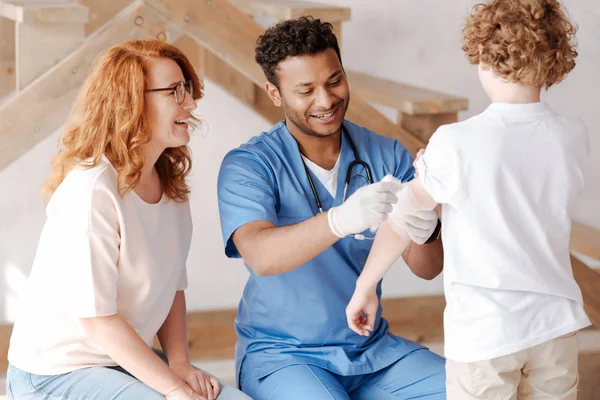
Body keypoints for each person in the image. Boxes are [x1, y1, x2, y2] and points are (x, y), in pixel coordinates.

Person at [347, 1, 590, 398]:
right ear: (553, 60)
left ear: (483, 57)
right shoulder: (574, 136)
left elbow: (404, 217)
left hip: (485, 336)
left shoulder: (456, 143)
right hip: (556, 328)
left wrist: (365, 286)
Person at [6, 40, 250, 400]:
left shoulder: (170, 187)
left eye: (188, 89)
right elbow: (97, 319)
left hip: (121, 359)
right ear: (131, 102)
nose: (192, 104)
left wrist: (180, 364)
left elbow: (173, 289)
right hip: (54, 372)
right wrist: (171, 387)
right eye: (175, 91)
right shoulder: (92, 190)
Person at [217, 17, 445, 399]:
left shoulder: (385, 153)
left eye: (334, 80)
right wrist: (339, 220)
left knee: (471, 391)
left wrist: (428, 228)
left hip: (372, 351)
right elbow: (260, 256)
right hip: (283, 356)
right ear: (275, 94)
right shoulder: (250, 164)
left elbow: (427, 268)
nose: (325, 100)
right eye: (305, 90)